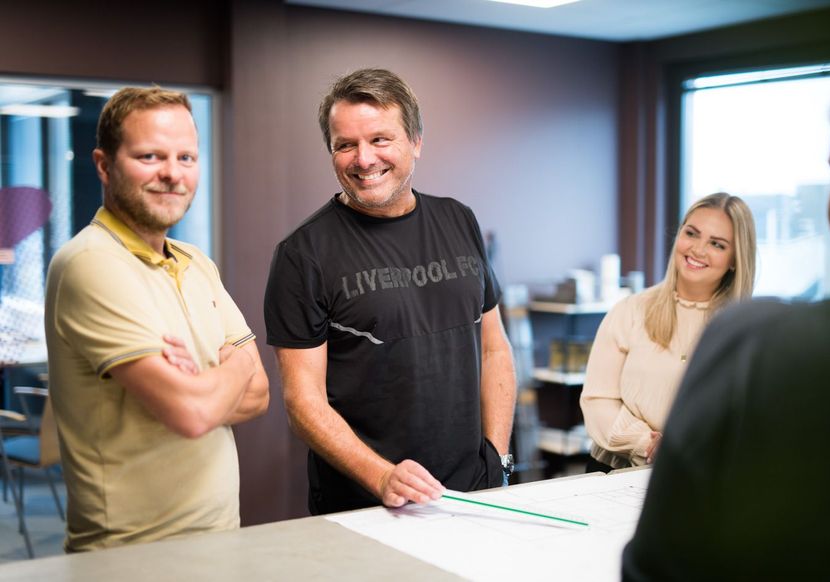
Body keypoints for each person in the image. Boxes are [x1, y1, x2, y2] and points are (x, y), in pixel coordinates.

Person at [622, 61, 830, 581]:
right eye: (692, 234)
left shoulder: (756, 341)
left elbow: (661, 563)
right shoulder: (637, 310)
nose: (698, 250)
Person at [264, 68, 516, 514]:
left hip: (474, 493)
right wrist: (381, 476)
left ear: (416, 141)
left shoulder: (459, 220)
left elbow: (494, 348)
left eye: (380, 139)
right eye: (345, 145)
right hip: (365, 506)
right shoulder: (303, 254)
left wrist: (497, 458)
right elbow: (303, 402)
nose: (364, 159)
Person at [45, 87, 269, 552]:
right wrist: (237, 363)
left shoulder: (196, 262)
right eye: (149, 156)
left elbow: (260, 396)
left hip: (219, 539)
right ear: (104, 165)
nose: (171, 173)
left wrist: (203, 385)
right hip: (132, 555)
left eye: (186, 157)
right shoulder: (90, 263)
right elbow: (193, 413)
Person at [580, 192, 756, 471]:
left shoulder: (746, 331)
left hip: (698, 477)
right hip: (615, 472)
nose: (698, 250)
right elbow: (598, 400)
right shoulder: (630, 311)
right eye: (691, 233)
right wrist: (647, 443)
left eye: (717, 244)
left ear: (735, 259)